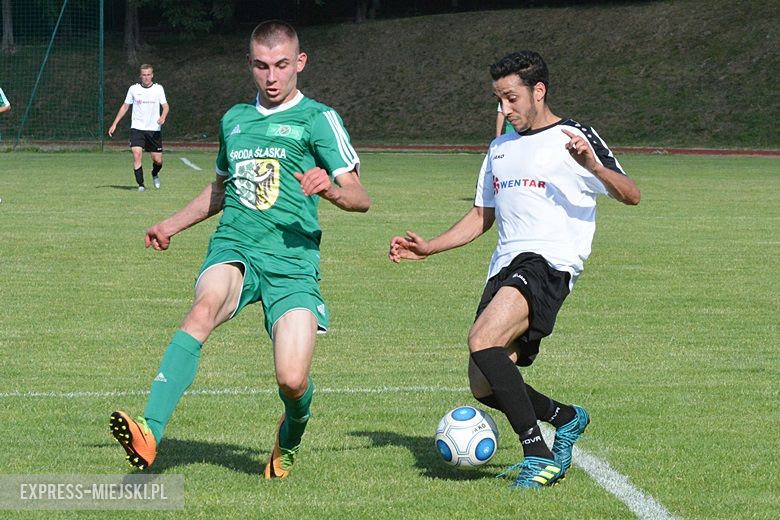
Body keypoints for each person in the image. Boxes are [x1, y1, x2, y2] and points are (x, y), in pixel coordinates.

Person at [110, 20, 371, 478]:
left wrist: (328, 188)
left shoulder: (318, 119)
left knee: (292, 380)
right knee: (202, 308)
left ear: (300, 63)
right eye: (262, 66)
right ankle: (149, 431)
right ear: (250, 64)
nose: (272, 77)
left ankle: (292, 430)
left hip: (292, 260)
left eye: (282, 65)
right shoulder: (234, 119)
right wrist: (170, 224)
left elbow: (360, 197)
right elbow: (221, 190)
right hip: (236, 245)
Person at [389, 50, 640, 489]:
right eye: (498, 100)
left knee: (482, 339)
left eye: (511, 98)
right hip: (503, 266)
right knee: (483, 385)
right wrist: (430, 247)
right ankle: (565, 417)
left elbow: (631, 194)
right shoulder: (499, 148)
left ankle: (537, 454)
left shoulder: (573, 135)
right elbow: (480, 216)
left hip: (548, 264)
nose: (504, 109)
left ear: (538, 91)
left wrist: (593, 167)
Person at [108, 64, 169, 192]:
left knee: (157, 160)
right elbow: (125, 106)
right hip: (137, 128)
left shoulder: (158, 89)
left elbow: (166, 106)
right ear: (140, 76)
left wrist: (163, 117)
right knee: (136, 154)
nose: (146, 77)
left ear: (152, 75)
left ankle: (154, 173)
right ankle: (141, 185)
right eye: (144, 75)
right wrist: (115, 123)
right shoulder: (133, 89)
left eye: (148, 75)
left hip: (154, 130)